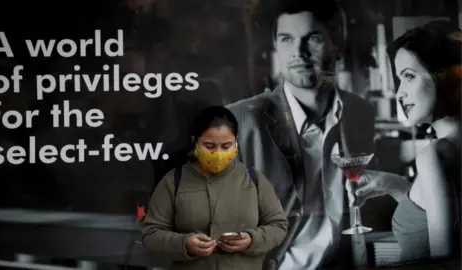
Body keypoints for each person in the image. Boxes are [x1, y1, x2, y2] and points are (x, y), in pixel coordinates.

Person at [226, 0, 375, 269]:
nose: (299, 52)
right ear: (277, 49)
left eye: (313, 38)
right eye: (286, 39)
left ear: (338, 43)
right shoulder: (239, 122)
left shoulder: (360, 113)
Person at [347, 20, 462, 263]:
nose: (400, 93)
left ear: (443, 76)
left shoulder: (434, 157)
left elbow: (445, 263)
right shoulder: (449, 152)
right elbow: (439, 214)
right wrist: (394, 184)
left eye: (409, 76)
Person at [139, 106, 288, 270]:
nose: (218, 153)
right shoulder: (175, 181)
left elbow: (278, 226)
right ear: (194, 141)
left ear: (236, 141)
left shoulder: (253, 179)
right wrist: (185, 243)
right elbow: (151, 234)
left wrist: (252, 239)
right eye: (209, 146)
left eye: (226, 146)